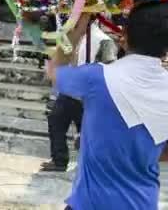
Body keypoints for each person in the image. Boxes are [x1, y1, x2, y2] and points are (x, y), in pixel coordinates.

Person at [47, 2, 168, 210]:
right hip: (142, 202)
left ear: (125, 37)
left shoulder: (97, 77)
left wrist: (78, 28)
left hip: (92, 202)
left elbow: (54, 71)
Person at [41, 21, 118, 172]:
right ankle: (59, 160)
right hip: (69, 91)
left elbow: (109, 67)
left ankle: (93, 165)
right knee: (56, 120)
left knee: (88, 132)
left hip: (88, 95)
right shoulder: (70, 36)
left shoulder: (103, 40)